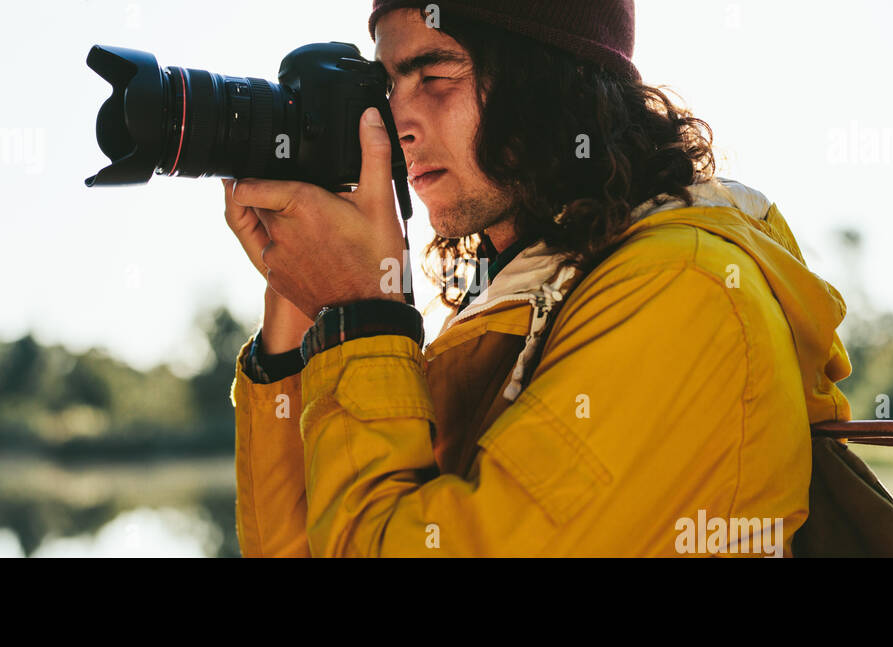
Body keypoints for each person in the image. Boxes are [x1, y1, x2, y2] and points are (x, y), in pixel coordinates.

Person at [221, 0, 853, 557]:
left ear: (550, 85)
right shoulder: (518, 300)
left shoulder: (684, 292)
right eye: (385, 88)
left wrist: (363, 312)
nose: (397, 122)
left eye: (435, 76)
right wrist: (300, 303)